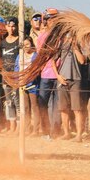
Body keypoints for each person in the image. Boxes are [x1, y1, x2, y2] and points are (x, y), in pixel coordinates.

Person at [54, 35, 86, 142]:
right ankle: (66, 133)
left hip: (76, 79)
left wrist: (75, 47)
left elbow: (82, 61)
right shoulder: (61, 45)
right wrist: (57, 76)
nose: (69, 38)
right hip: (62, 79)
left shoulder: (80, 45)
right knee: (63, 108)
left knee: (77, 109)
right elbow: (52, 61)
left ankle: (78, 135)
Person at [37, 8, 61, 139]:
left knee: (56, 105)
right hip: (46, 73)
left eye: (54, 18)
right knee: (43, 103)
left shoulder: (61, 36)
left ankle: (55, 131)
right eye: (50, 18)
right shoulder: (42, 36)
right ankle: (46, 130)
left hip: (59, 74)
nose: (52, 21)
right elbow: (41, 53)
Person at [15, 36, 39, 135]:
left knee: (34, 106)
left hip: (33, 84)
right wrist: (19, 80)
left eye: (27, 44)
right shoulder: (19, 55)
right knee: (25, 107)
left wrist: (29, 78)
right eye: (24, 45)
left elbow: (37, 70)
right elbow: (16, 68)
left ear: (31, 44)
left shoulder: (35, 56)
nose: (26, 47)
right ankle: (28, 128)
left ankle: (36, 130)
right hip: (22, 84)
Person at [1, 17, 20, 133]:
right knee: (9, 102)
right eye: (9, 26)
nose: (11, 28)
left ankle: (19, 126)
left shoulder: (19, 41)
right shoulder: (2, 42)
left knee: (17, 100)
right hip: (6, 76)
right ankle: (12, 126)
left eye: (13, 26)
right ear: (5, 27)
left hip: (17, 76)